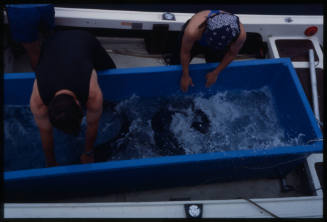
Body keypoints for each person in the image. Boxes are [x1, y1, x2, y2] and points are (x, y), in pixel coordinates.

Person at [29, 30, 116, 167]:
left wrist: (88, 153)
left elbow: (92, 124)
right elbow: (45, 131)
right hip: (53, 39)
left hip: (83, 39)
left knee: (112, 71)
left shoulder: (92, 93)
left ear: (78, 103)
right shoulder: (38, 101)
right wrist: (51, 161)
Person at [168, 10, 246, 92]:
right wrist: (185, 75)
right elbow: (185, 52)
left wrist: (216, 72)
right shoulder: (192, 31)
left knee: (216, 63)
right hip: (197, 39)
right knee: (176, 62)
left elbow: (231, 54)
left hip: (217, 45)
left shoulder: (240, 36)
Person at [5, 4, 55, 70]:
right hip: (45, 6)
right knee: (48, 40)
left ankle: (41, 77)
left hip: (22, 9)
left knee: (33, 51)